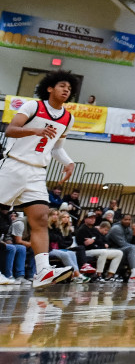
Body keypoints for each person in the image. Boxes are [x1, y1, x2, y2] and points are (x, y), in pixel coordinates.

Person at [0, 71, 80, 287]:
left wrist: (68, 162)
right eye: (62, 86)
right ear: (49, 88)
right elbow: (10, 130)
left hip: (37, 171)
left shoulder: (68, 117)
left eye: (70, 88)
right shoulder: (33, 107)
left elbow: (56, 147)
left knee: (41, 219)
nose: (66, 90)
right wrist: (35, 130)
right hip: (14, 165)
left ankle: (43, 271)